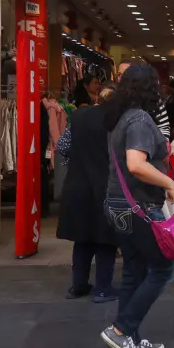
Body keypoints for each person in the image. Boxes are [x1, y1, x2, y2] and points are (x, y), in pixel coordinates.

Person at [100, 64, 174, 348]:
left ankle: (128, 340)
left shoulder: (119, 117)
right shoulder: (140, 120)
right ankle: (121, 329)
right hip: (138, 205)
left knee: (134, 270)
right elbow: (136, 164)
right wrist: (169, 182)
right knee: (163, 268)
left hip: (118, 203)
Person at [57, 85, 118, 303]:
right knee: (106, 240)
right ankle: (103, 289)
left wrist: (76, 164)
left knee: (82, 238)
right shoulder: (116, 121)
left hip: (78, 184)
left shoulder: (80, 115)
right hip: (106, 186)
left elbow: (63, 146)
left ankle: (78, 285)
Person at [118, 58, 170, 140]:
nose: (121, 79)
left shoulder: (154, 100)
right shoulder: (114, 98)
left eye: (125, 74)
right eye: (119, 75)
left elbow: (164, 131)